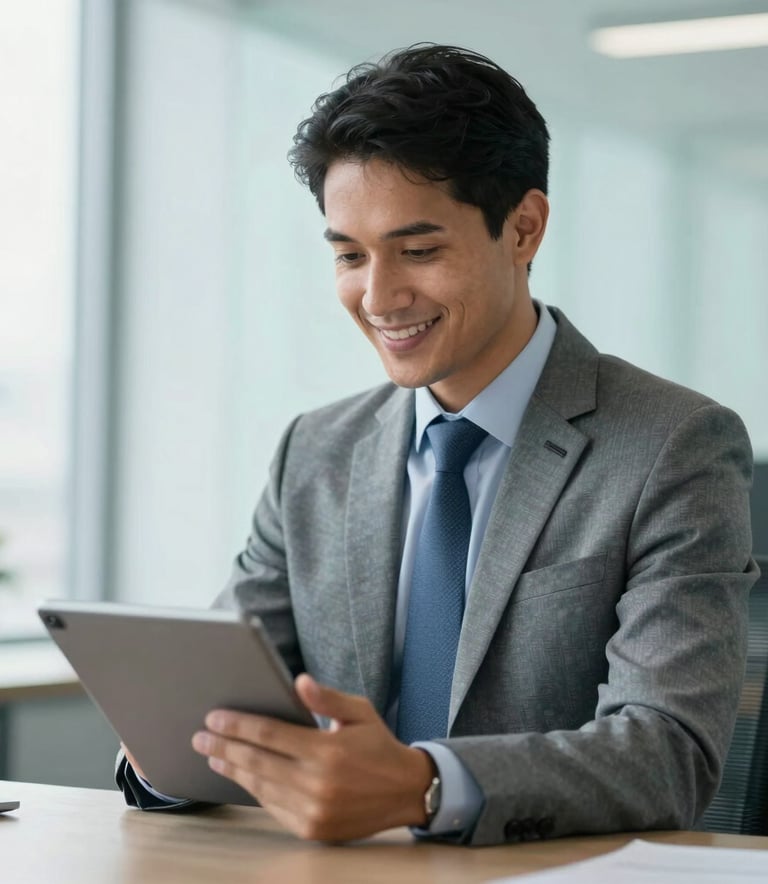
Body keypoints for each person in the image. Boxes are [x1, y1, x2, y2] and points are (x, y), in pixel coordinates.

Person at [116, 43, 757, 846]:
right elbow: (220, 706)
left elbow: (669, 753)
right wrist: (167, 748)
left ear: (523, 229)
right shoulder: (315, 452)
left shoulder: (674, 446)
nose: (378, 297)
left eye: (418, 251)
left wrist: (424, 788)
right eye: (350, 255)